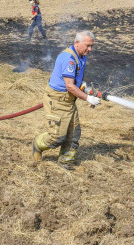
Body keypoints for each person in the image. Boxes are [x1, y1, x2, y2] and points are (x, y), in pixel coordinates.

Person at [32, 31, 100, 170]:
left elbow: (75, 79)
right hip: (58, 100)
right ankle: (37, 144)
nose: (90, 49)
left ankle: (65, 163)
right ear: (77, 43)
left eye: (91, 46)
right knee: (56, 137)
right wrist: (88, 98)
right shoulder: (68, 58)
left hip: (69, 101)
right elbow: (69, 85)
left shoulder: (82, 56)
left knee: (74, 133)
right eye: (87, 46)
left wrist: (84, 87)